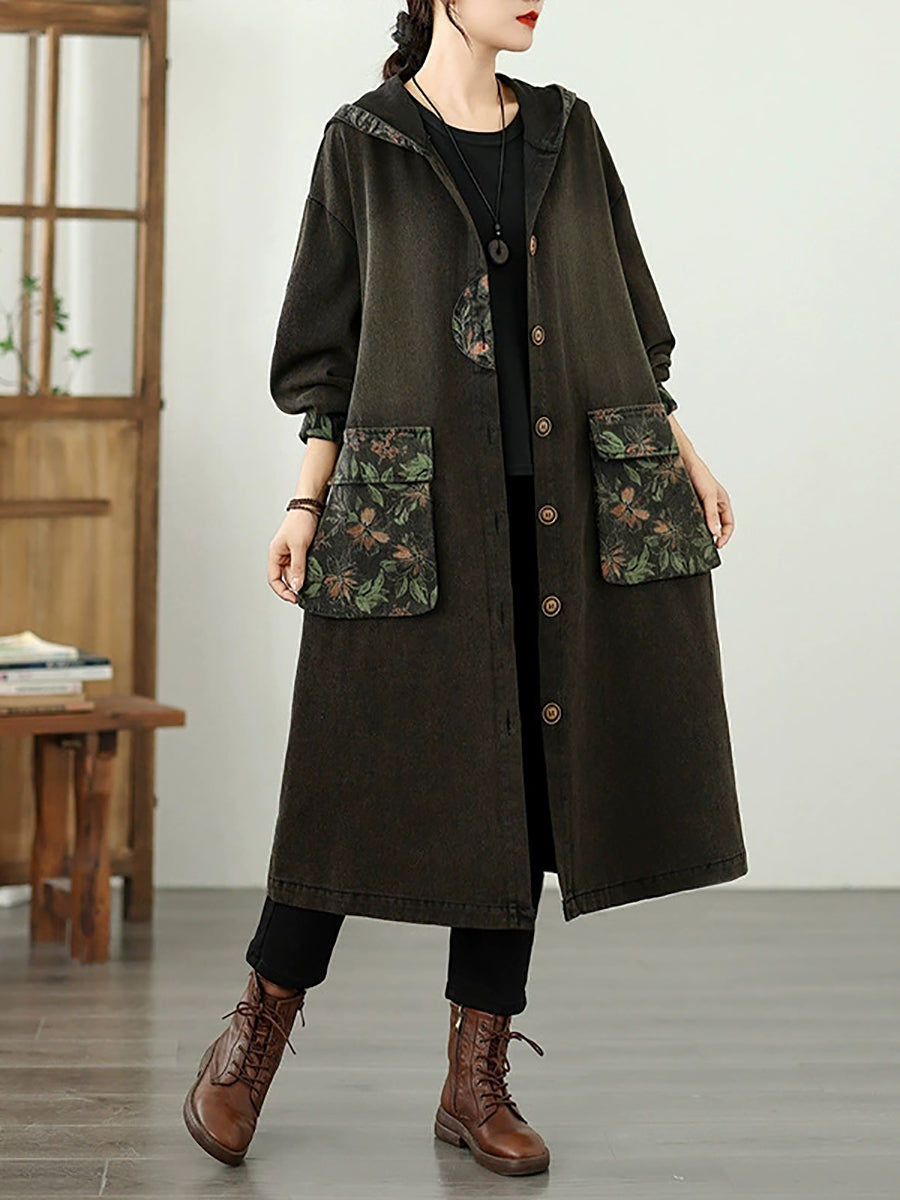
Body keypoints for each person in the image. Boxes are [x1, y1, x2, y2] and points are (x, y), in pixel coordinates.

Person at [183, 0, 747, 1178]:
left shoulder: (568, 133)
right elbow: (328, 354)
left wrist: (684, 456)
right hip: (415, 514)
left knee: (527, 791)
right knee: (344, 773)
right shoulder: (363, 143)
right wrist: (304, 504)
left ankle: (474, 1076)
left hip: (566, 511)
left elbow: (627, 320)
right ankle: (252, 1039)